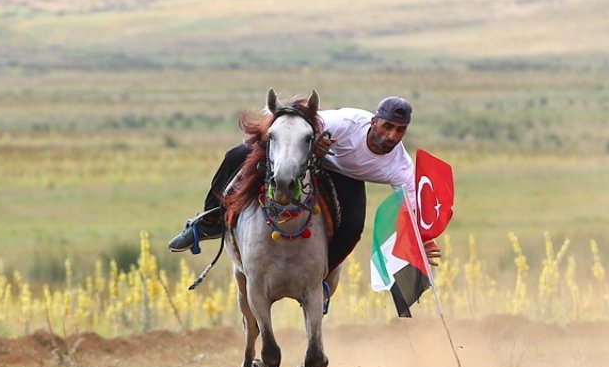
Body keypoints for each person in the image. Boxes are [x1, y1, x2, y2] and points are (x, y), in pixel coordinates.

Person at [168, 95, 439, 291]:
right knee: (235, 155)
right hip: (314, 158)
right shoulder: (344, 123)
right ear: (374, 121)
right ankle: (207, 221)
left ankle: (321, 281)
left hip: (349, 178)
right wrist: (305, 149)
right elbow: (300, 129)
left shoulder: (400, 166)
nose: (392, 135)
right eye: (387, 126)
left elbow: (411, 205)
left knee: (353, 228)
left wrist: (422, 239)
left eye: (400, 130)